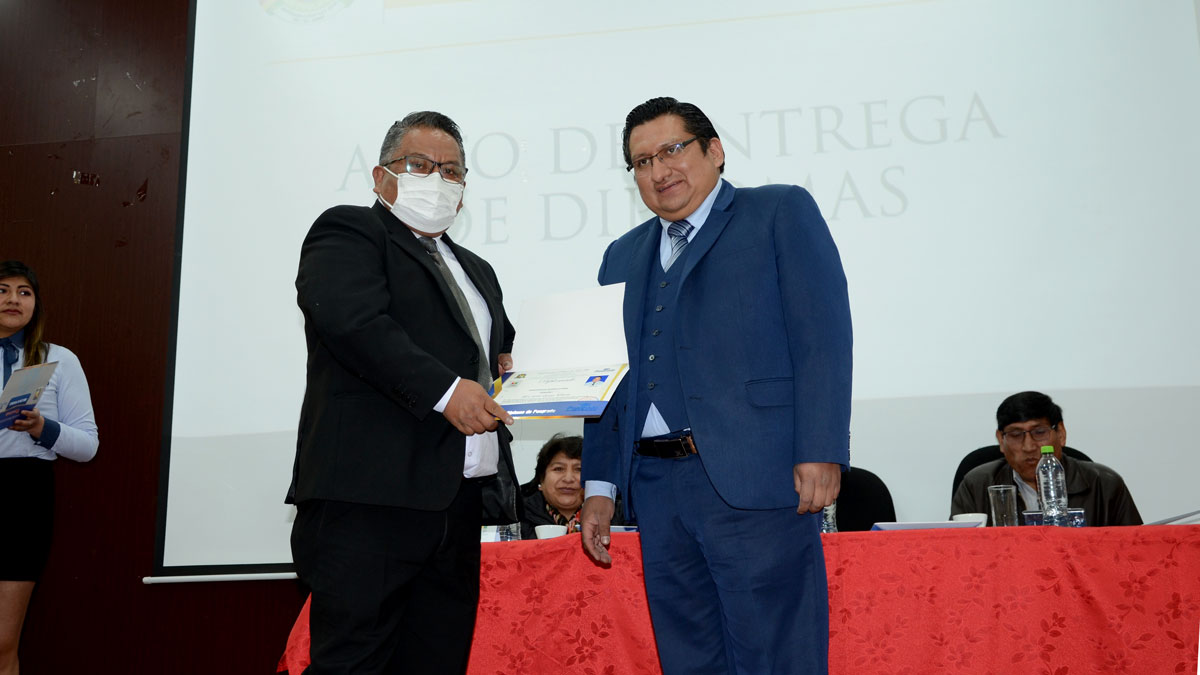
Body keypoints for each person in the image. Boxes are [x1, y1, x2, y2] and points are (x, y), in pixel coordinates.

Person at [580, 97, 853, 675]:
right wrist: (600, 485)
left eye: (672, 150)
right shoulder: (620, 256)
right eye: (642, 161)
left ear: (715, 150)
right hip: (655, 486)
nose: (659, 170)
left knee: (776, 655)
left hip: (755, 478)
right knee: (688, 657)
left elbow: (822, 338)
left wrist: (821, 448)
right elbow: (607, 381)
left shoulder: (778, 211)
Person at [288, 111, 522, 675]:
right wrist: (447, 391)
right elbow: (353, 323)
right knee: (353, 664)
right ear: (381, 177)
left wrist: (511, 372)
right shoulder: (349, 231)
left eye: (452, 171)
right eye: (419, 165)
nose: (437, 180)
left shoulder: (478, 269)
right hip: (370, 499)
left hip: (458, 502)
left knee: (438, 660)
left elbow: (489, 351)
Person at [0, 261, 99, 675]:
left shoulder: (58, 359)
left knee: (2, 642)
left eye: (24, 292)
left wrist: (43, 427)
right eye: (3, 289)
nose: (13, 299)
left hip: (24, 495)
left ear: (36, 304)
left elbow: (88, 446)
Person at [951, 391, 1142, 526]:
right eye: (1016, 434)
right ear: (1001, 440)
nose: (1028, 446)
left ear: (1061, 433)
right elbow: (958, 553)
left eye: (1039, 432)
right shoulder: (976, 486)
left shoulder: (1104, 485)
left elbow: (1135, 552)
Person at [518, 434, 624, 539]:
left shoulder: (618, 513)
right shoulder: (517, 515)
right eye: (558, 469)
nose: (568, 479)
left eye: (579, 469)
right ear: (541, 480)